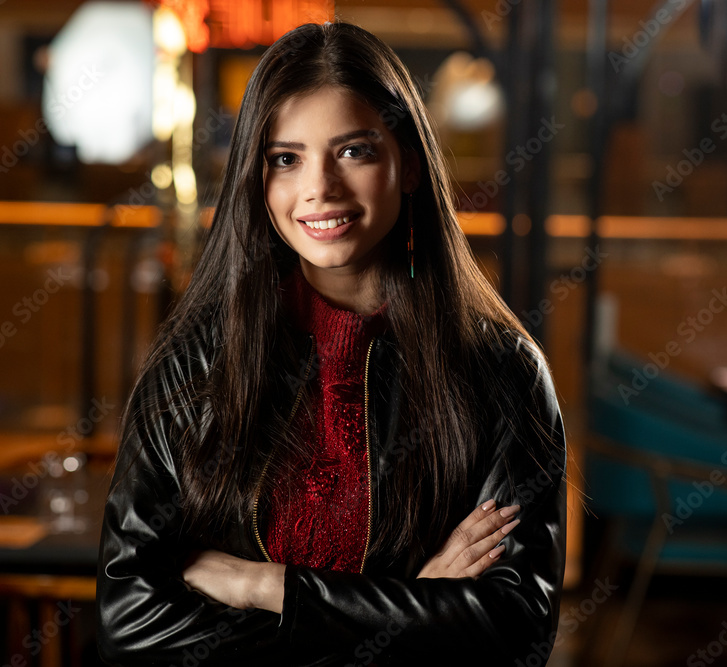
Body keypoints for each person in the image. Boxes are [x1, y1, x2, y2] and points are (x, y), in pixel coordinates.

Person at [96, 20, 568, 667]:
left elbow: (514, 634)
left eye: (353, 151)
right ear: (258, 182)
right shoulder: (196, 360)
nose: (320, 188)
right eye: (286, 159)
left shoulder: (502, 371)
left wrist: (264, 586)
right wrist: (406, 608)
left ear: (405, 164)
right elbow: (130, 622)